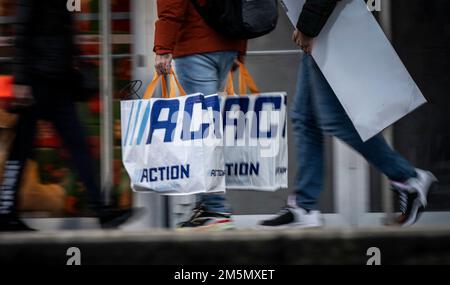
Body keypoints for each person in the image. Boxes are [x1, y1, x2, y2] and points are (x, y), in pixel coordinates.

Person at [259, 0, 437, 228]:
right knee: (305, 119)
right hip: (320, 25)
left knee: (335, 120)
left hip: (326, 26)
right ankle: (304, 206)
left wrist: (307, 27)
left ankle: (408, 177)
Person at [0, 0, 133, 231]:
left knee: (79, 147)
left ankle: (102, 211)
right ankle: (5, 212)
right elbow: (22, 30)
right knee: (20, 152)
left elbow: (63, 35)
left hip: (58, 84)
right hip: (36, 83)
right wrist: (21, 80)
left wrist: (78, 64)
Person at [154, 0, 247, 231]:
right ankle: (206, 207)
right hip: (228, 44)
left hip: (195, 47)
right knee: (208, 128)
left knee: (202, 132)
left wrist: (163, 48)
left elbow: (172, 5)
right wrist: (240, 48)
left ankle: (215, 208)